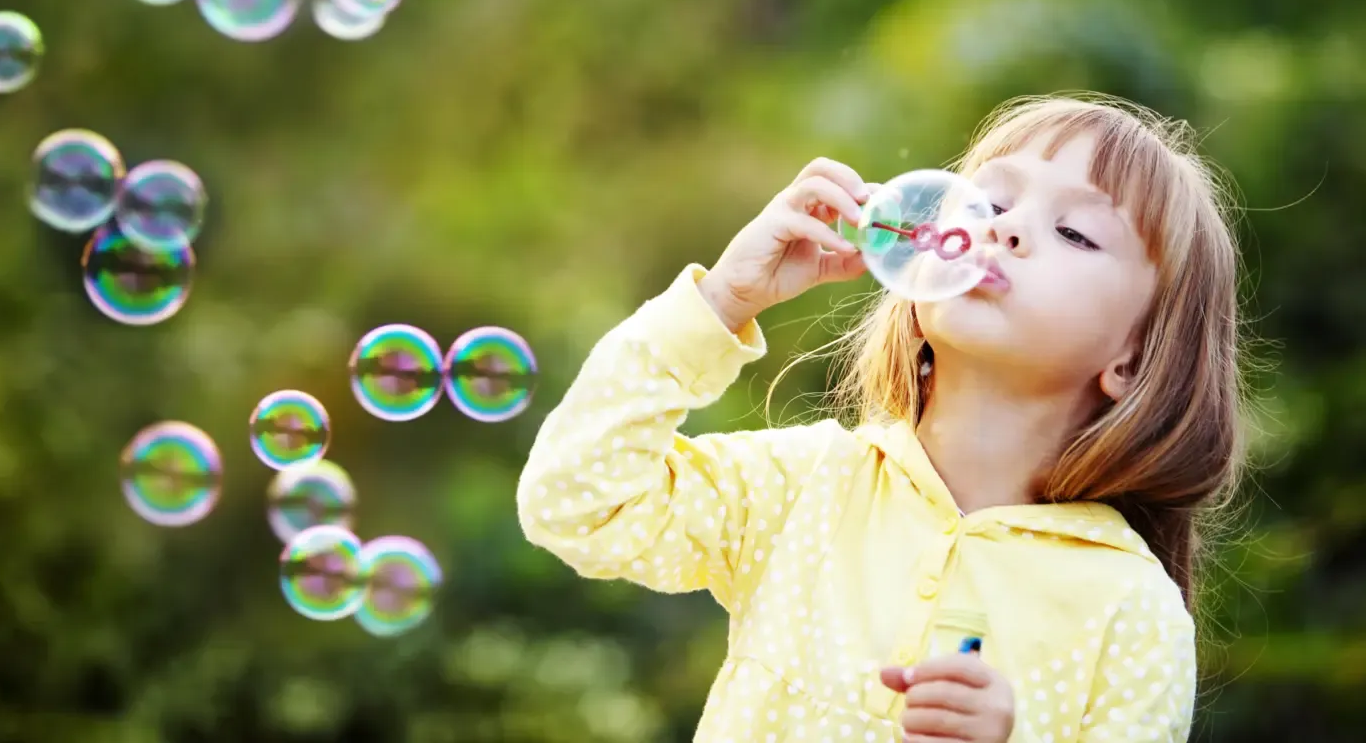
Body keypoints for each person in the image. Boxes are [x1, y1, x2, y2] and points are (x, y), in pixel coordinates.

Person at [517, 94, 1248, 742]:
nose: (1009, 230)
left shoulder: (1130, 611)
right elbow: (577, 502)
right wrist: (723, 303)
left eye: (1076, 233)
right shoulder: (805, 487)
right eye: (989, 204)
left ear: (1133, 358)